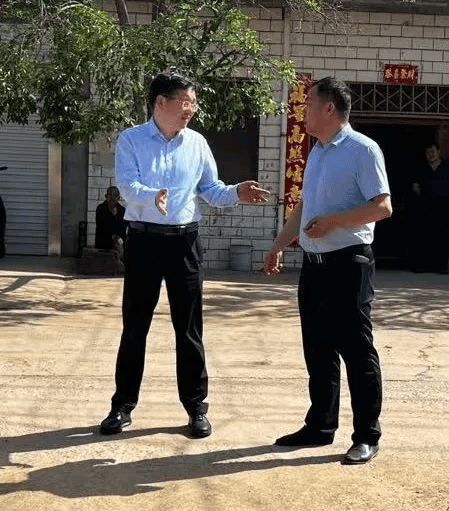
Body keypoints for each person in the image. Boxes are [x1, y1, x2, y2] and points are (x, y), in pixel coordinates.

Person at [99, 72, 269, 438]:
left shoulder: (197, 143)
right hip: (143, 241)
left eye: (193, 102)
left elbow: (210, 189)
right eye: (185, 102)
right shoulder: (131, 140)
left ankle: (196, 408)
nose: (191, 109)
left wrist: (237, 191)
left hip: (185, 242)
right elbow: (127, 186)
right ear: (161, 102)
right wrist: (151, 196)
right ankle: (122, 406)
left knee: (189, 330)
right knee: (135, 327)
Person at [264, 76, 391, 466]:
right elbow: (303, 208)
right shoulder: (317, 151)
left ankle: (367, 435)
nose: (304, 112)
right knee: (317, 350)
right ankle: (320, 426)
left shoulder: (362, 150)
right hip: (314, 267)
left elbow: (382, 206)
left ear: (329, 109)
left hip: (348, 265)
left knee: (356, 349)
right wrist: (278, 245)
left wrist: (335, 221)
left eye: (309, 105)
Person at [411, 142, 449, 274]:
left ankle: (442, 266)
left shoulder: (446, 167)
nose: (431, 154)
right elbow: (415, 186)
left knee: (442, 237)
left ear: (438, 152)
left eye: (433, 151)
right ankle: (423, 266)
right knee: (424, 237)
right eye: (428, 152)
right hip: (425, 209)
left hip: (443, 210)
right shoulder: (421, 168)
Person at [94, 185, 127, 253]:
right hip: (103, 245)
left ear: (118, 198)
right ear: (106, 197)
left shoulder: (122, 211)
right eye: (110, 196)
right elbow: (101, 227)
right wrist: (113, 237)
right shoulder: (101, 209)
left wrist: (120, 242)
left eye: (115, 196)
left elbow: (123, 229)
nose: (112, 198)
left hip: (118, 246)